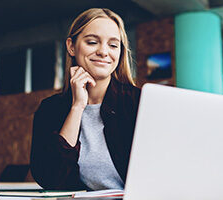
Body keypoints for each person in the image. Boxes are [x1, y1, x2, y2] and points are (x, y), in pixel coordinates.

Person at [30, 8, 141, 190]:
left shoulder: (138, 103)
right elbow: (50, 178)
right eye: (92, 42)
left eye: (113, 45)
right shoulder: (50, 109)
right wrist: (77, 107)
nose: (104, 52)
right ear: (71, 46)